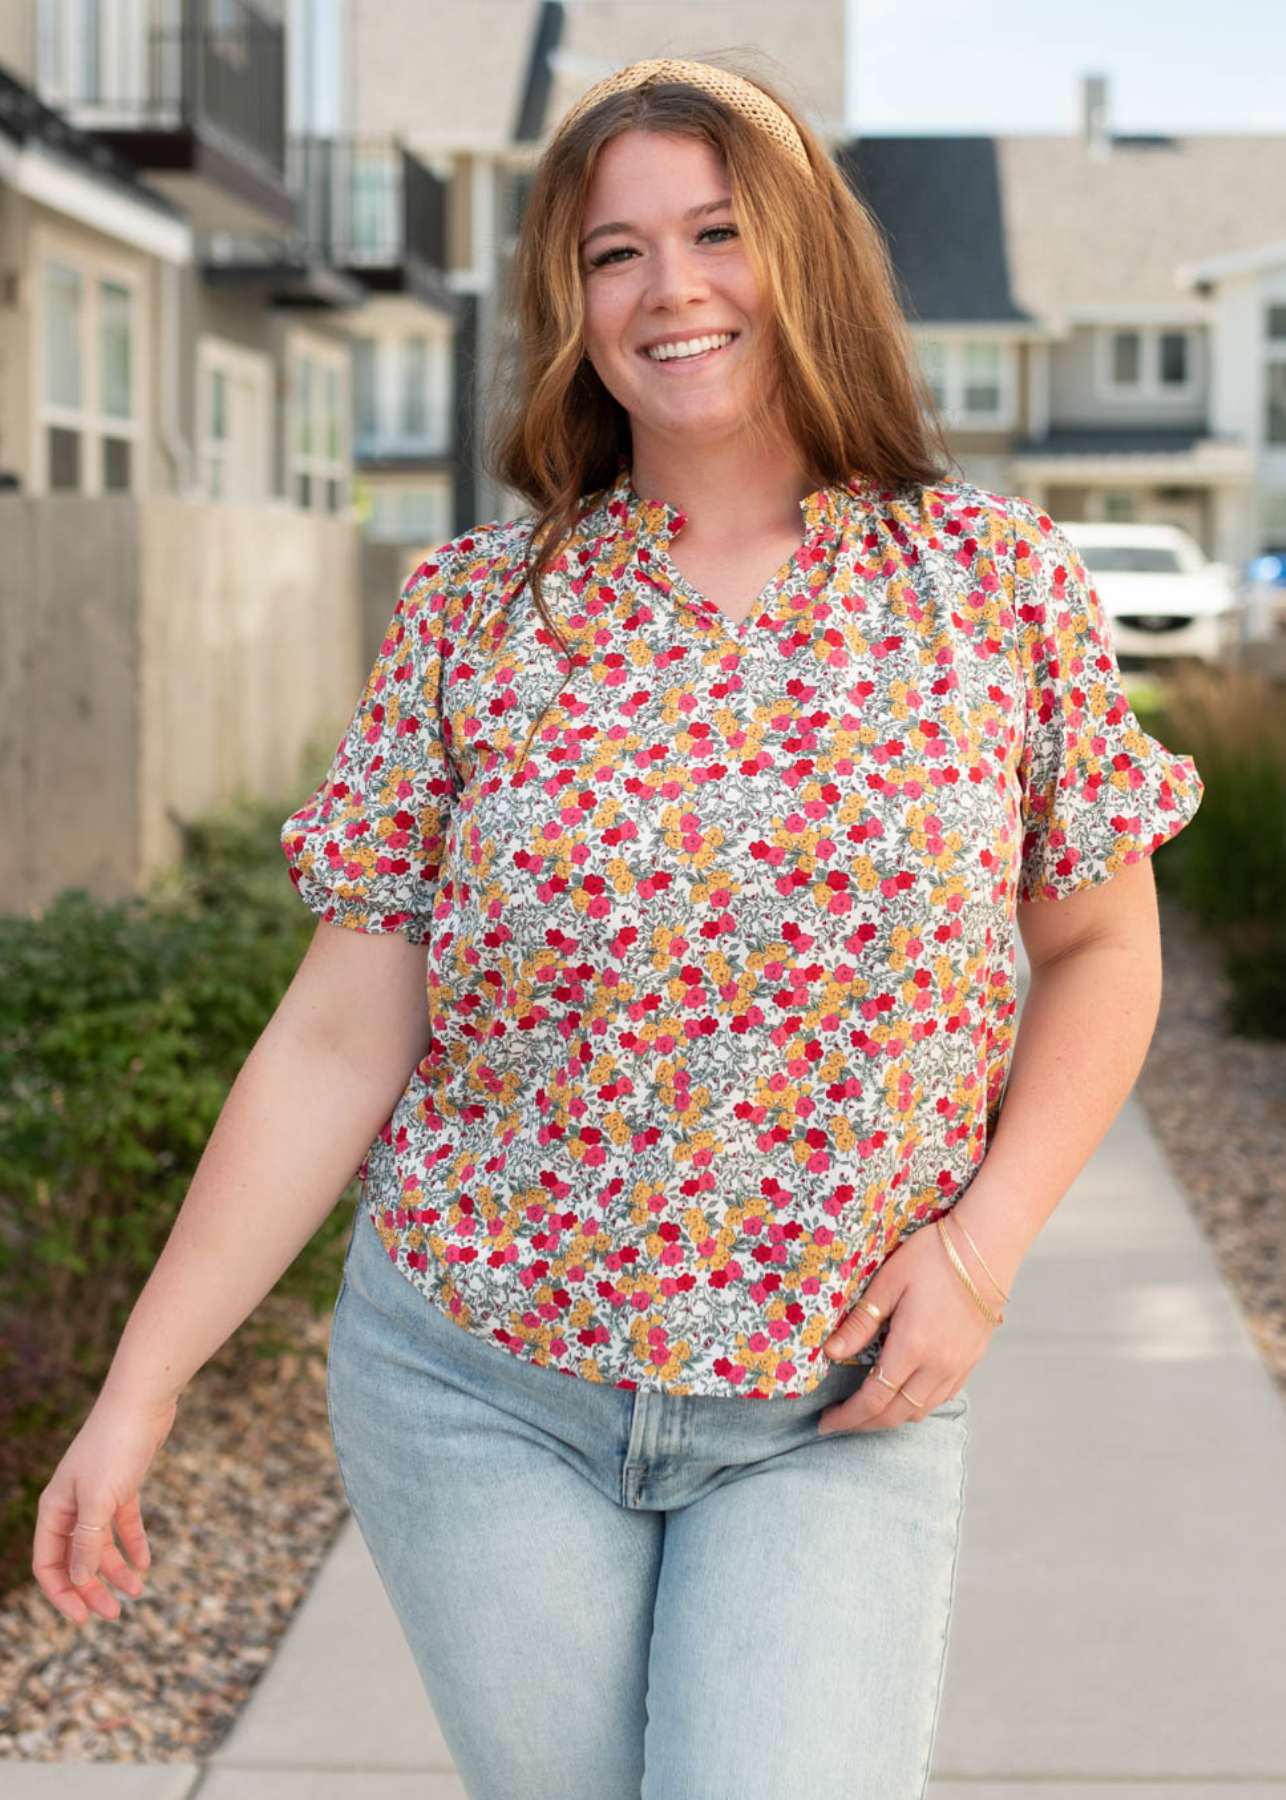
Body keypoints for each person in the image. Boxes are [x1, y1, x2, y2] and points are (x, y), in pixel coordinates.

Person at [33, 54, 1205, 1800]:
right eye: (612, 253)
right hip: (475, 1385)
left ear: (804, 256)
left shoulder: (989, 586)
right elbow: (345, 1035)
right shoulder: (475, 617)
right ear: (567, 305)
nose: (672, 289)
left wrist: (978, 1254)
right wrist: (140, 1384)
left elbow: (1104, 954)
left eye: (719, 232)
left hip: (833, 1403)